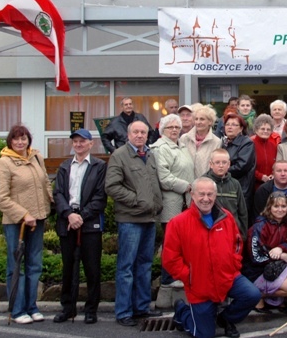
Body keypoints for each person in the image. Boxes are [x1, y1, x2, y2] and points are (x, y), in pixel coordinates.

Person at [164, 177, 261, 338]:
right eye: (201, 194)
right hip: (200, 285)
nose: (206, 198)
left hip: (227, 276)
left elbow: (237, 243)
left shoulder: (226, 217)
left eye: (210, 194)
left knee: (252, 295)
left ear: (215, 195)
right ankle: (182, 312)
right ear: (192, 195)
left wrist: (233, 264)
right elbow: (170, 258)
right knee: (204, 335)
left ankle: (225, 319)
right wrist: (188, 275)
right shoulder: (178, 223)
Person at [105, 121, 163, 326]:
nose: (139, 135)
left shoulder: (150, 154)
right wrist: (137, 200)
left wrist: (155, 204)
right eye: (136, 132)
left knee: (145, 265)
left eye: (143, 132)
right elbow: (112, 186)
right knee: (126, 267)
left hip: (149, 218)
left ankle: (141, 308)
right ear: (128, 135)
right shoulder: (119, 155)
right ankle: (123, 312)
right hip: (130, 219)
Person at [0, 124, 53, 324]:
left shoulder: (36, 157)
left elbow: (45, 183)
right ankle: (18, 309)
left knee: (34, 265)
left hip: (37, 220)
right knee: (16, 267)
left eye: (24, 138)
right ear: (10, 141)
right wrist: (23, 214)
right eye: (16, 139)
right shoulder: (5, 162)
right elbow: (1, 198)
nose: (20, 142)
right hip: (16, 223)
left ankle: (32, 307)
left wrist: (52, 204)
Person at [52, 129, 106, 324]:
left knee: (92, 268)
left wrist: (81, 216)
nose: (78, 144)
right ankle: (68, 308)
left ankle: (91, 310)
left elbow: (100, 196)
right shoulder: (64, 166)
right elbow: (57, 193)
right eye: (75, 141)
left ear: (91, 144)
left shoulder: (99, 166)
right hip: (67, 221)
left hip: (89, 223)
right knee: (68, 267)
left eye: (82, 141)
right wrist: (69, 214)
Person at [151, 115, 195, 289]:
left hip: (185, 200)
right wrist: (187, 186)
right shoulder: (160, 148)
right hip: (171, 202)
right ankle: (168, 278)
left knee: (182, 242)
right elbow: (163, 177)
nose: (175, 130)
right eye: (170, 127)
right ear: (162, 130)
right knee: (171, 243)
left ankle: (178, 274)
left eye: (177, 127)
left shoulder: (181, 145)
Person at [244, 193, 287, 313]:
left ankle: (273, 293)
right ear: (269, 207)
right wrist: (279, 256)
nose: (280, 209)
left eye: (283, 206)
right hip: (258, 271)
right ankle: (259, 295)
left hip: (276, 267)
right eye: (276, 206)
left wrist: (281, 248)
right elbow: (256, 257)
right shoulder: (259, 226)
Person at [202, 149, 249, 237]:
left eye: (224, 162)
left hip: (231, 231)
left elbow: (242, 212)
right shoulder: (202, 182)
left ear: (229, 164)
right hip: (210, 231)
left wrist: (242, 235)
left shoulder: (235, 184)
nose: (221, 166)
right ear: (211, 164)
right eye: (217, 162)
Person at [221, 112, 256, 213]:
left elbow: (242, 166)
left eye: (234, 125)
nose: (229, 127)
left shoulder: (247, 143)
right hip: (225, 187)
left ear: (241, 128)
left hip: (240, 189)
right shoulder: (224, 143)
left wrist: (221, 171)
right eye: (227, 124)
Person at [179, 106, 222, 178]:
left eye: (202, 119)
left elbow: (215, 166)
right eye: (196, 119)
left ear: (210, 121)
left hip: (206, 182)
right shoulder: (184, 138)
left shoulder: (216, 142)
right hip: (185, 181)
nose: (198, 122)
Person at [251, 114, 281, 192]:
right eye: (262, 129)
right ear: (256, 130)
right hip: (253, 185)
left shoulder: (273, 145)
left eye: (268, 129)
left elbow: (276, 163)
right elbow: (248, 166)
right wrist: (260, 176)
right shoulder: (250, 144)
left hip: (271, 185)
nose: (265, 131)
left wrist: (273, 174)